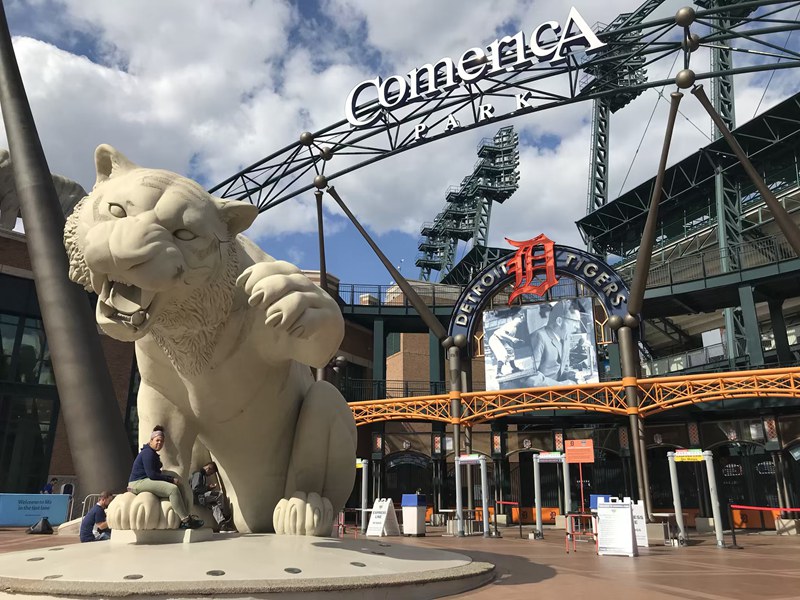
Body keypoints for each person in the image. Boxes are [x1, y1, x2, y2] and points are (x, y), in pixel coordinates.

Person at [128, 425, 203, 529]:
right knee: (172, 489)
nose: (159, 443)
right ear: (151, 440)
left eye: (162, 441)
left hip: (144, 480)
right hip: (137, 483)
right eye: (157, 440)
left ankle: (186, 515)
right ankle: (185, 521)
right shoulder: (148, 453)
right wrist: (171, 480)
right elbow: (152, 475)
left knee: (178, 487)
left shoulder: (152, 453)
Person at [526, 302, 584, 386]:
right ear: (559, 321)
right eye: (575, 321)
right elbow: (530, 378)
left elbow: (563, 369)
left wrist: (571, 375)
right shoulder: (538, 337)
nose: (578, 326)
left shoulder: (565, 338)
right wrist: (561, 385)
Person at [190, 462, 235, 532]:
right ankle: (223, 514)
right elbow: (195, 489)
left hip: (201, 498)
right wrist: (208, 487)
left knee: (215, 506)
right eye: (211, 473)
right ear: (208, 468)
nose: (210, 475)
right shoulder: (198, 474)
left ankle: (222, 525)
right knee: (219, 495)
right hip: (199, 497)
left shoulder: (202, 475)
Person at [487, 309, 526, 377]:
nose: (521, 319)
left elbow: (508, 339)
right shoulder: (511, 325)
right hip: (495, 339)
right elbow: (500, 333)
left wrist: (513, 342)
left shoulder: (515, 328)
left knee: (511, 352)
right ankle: (498, 373)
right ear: (518, 317)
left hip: (502, 340)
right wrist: (512, 339)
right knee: (503, 354)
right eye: (520, 317)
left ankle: (514, 368)